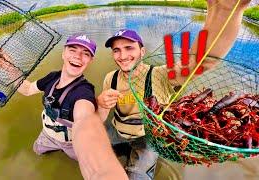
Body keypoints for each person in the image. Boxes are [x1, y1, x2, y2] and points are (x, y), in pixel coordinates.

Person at [96, 0, 251, 179]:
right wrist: (100, 103)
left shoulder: (162, 75)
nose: (122, 56)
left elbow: (199, 63)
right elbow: (102, 113)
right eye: (116, 50)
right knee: (90, 148)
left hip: (148, 139)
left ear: (142, 51)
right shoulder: (110, 77)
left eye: (129, 48)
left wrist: (224, 10)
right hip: (117, 130)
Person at [0, 34, 128, 179]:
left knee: (84, 158)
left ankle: (121, 150)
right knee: (37, 150)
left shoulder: (84, 91)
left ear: (90, 60)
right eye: (73, 49)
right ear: (63, 53)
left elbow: (86, 121)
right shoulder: (52, 77)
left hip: (72, 143)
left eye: (85, 53)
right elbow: (27, 89)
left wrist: (101, 107)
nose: (78, 56)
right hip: (47, 135)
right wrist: (8, 67)